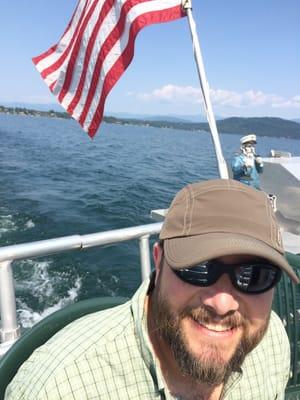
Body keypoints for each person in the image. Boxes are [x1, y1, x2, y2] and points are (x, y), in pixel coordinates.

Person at [5, 179, 299, 400]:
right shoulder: (59, 388)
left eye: (255, 276)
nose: (222, 304)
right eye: (199, 268)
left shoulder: (271, 341)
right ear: (158, 262)